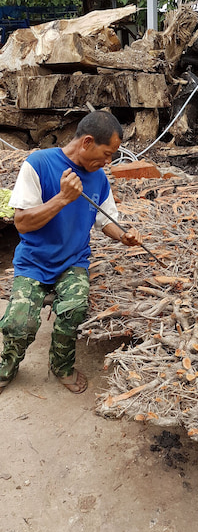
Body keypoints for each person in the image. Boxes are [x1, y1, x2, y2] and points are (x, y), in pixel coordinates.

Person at [0, 110, 142, 395]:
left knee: (73, 310)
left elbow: (105, 220)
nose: (108, 161)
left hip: (72, 262)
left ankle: (61, 365)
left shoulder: (98, 178)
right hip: (33, 262)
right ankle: (7, 365)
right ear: (87, 142)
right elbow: (22, 223)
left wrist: (123, 236)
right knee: (19, 323)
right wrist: (63, 198)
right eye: (107, 153)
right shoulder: (38, 163)